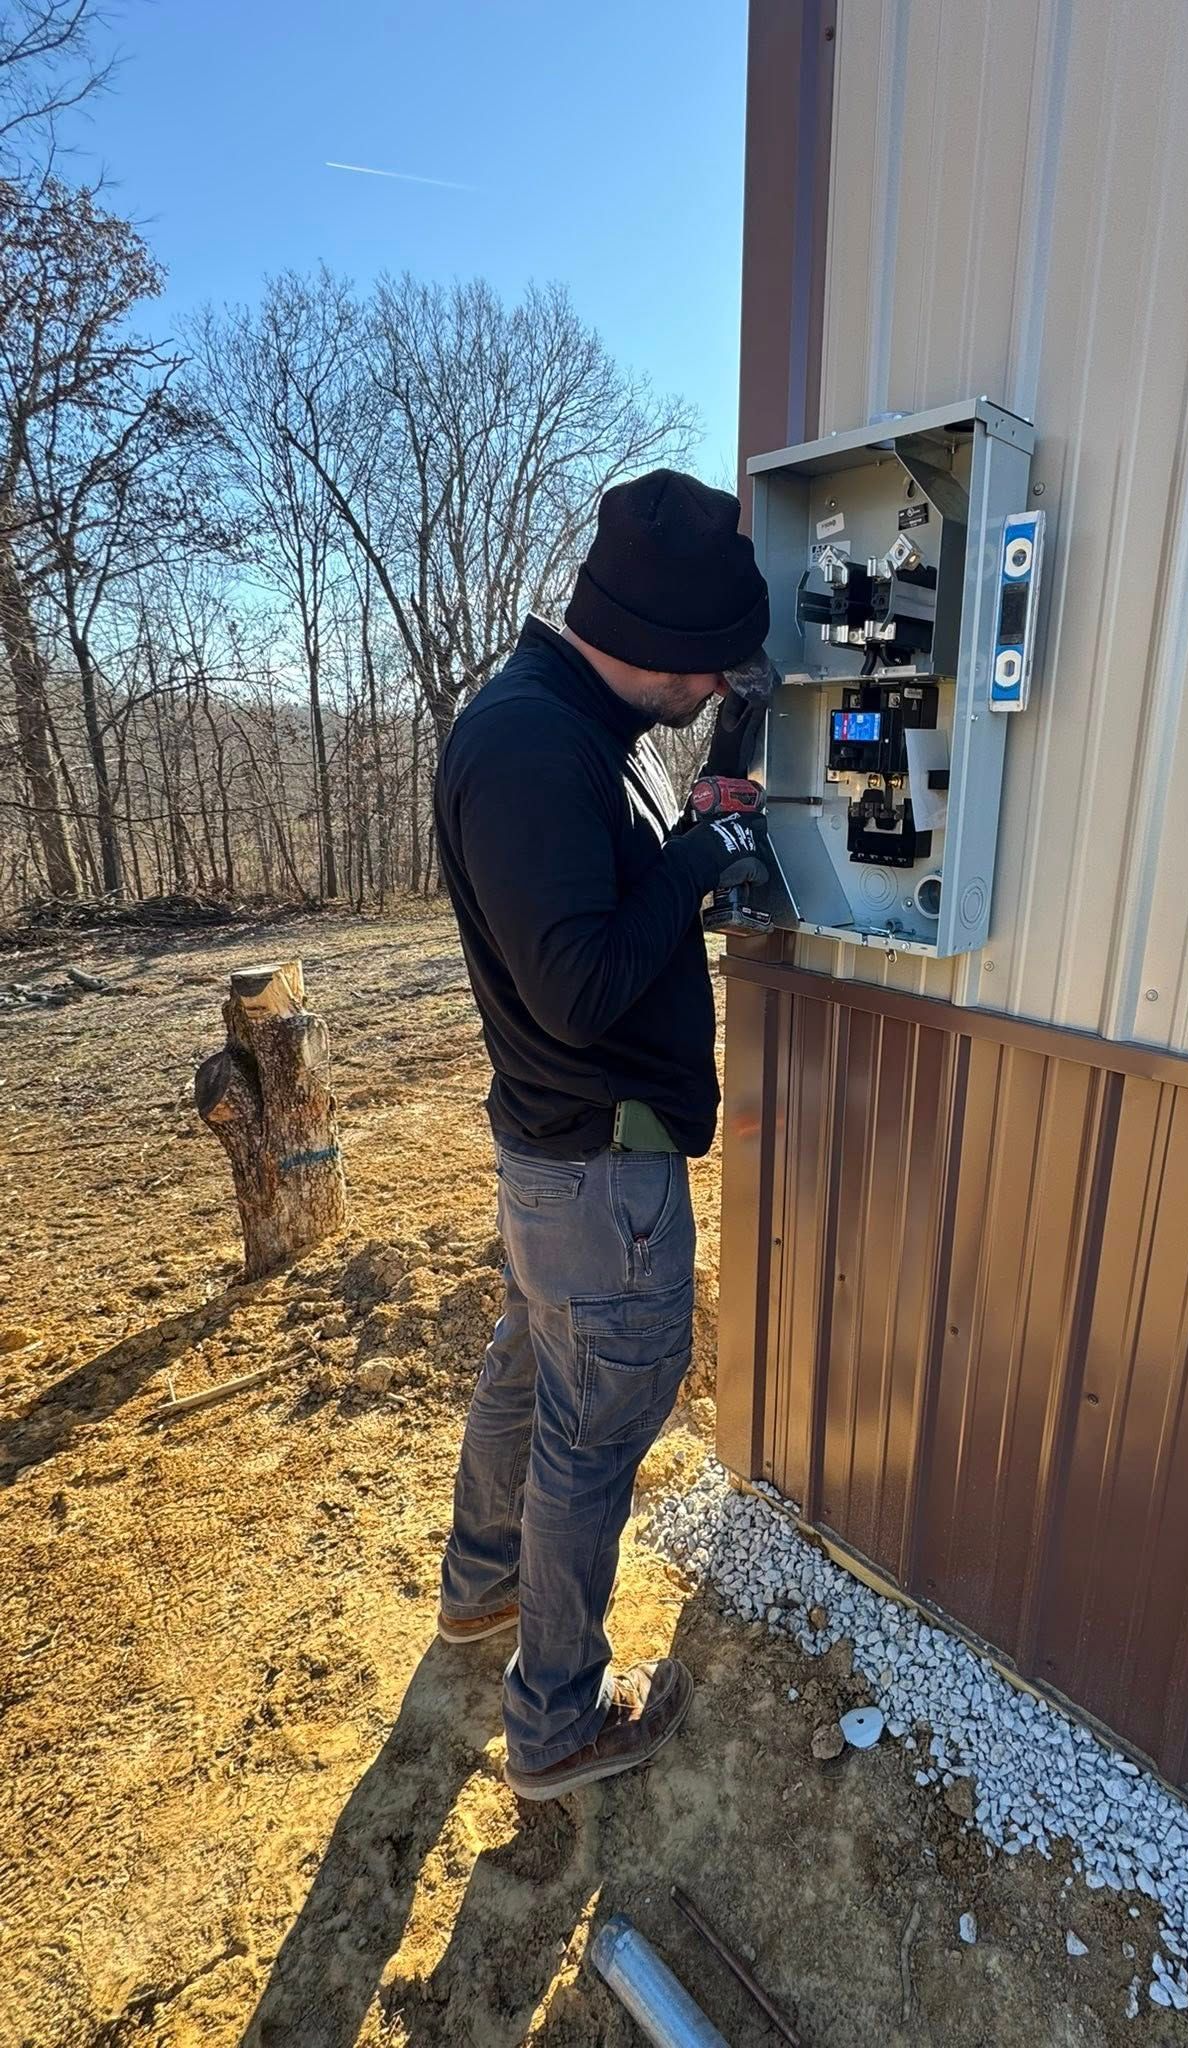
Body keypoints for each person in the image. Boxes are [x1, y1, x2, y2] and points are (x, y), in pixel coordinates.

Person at [432, 469, 773, 1801]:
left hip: (560, 1159)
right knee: (595, 1428)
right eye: (712, 666)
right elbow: (577, 985)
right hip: (598, 1165)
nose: (714, 685)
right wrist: (704, 859)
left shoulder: (575, 720)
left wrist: (708, 790)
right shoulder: (529, 749)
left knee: (531, 1363)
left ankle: (480, 1590)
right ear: (664, 650)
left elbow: (604, 883)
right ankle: (560, 1724)